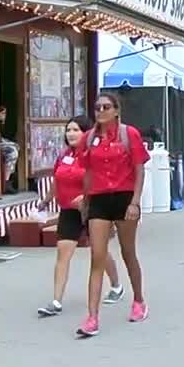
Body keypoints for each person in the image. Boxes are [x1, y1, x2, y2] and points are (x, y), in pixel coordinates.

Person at [75, 93, 151, 338]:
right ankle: (92, 317)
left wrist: (135, 202)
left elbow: (140, 169)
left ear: (116, 110)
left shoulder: (129, 135)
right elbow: (87, 172)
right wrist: (85, 200)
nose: (100, 111)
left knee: (128, 252)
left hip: (124, 196)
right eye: (97, 107)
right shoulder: (88, 139)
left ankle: (139, 300)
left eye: (106, 107)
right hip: (99, 199)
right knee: (97, 257)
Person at [34, 116, 124, 317]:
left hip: (93, 211)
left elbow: (104, 181)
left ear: (86, 133)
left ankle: (116, 285)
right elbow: (56, 181)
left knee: (99, 251)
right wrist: (46, 200)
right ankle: (56, 301)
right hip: (68, 210)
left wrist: (87, 199)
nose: (71, 134)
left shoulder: (94, 155)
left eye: (76, 130)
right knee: (63, 254)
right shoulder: (63, 156)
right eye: (68, 130)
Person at [0, 106, 19, 194]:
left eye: (5, 114)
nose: (4, 116)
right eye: (2, 113)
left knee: (16, 146)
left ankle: (10, 176)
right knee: (12, 152)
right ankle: (6, 181)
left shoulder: (1, 123)